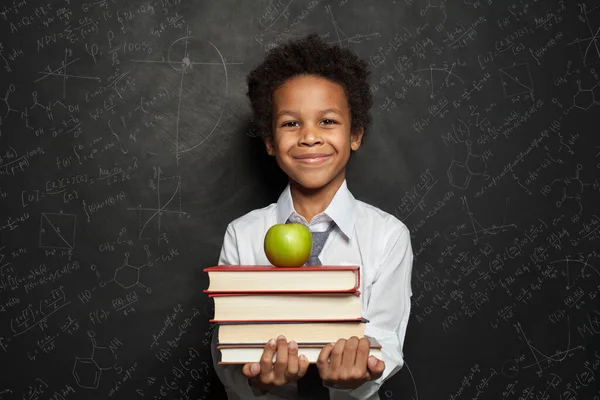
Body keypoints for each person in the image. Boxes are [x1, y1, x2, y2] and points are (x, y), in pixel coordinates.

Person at [211, 33, 413, 400]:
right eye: (290, 124)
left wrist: (360, 375)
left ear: (355, 134)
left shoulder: (387, 235)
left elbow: (386, 340)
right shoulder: (242, 235)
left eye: (328, 121)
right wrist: (256, 380)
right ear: (270, 142)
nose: (309, 137)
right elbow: (227, 348)